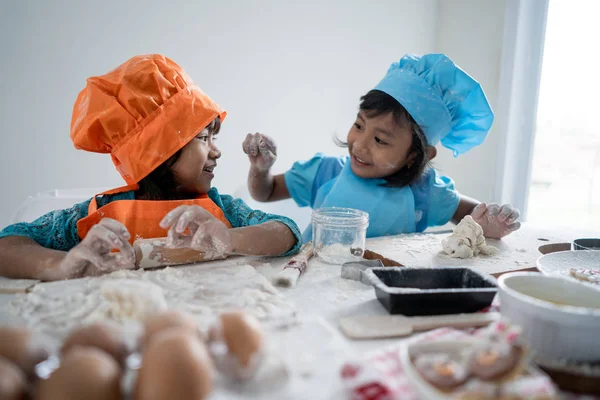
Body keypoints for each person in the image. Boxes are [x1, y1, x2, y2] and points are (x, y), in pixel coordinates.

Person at [0, 54, 301, 281]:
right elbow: (8, 244)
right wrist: (61, 264)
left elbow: (287, 231)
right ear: (158, 151)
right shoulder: (98, 217)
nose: (217, 150)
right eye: (204, 137)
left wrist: (230, 239)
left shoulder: (219, 211)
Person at [244, 53, 520, 242]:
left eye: (380, 140)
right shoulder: (324, 172)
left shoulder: (426, 193)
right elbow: (265, 193)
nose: (360, 145)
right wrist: (260, 169)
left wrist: (490, 225)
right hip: (308, 282)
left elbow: (473, 214)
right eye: (359, 125)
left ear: (416, 155)